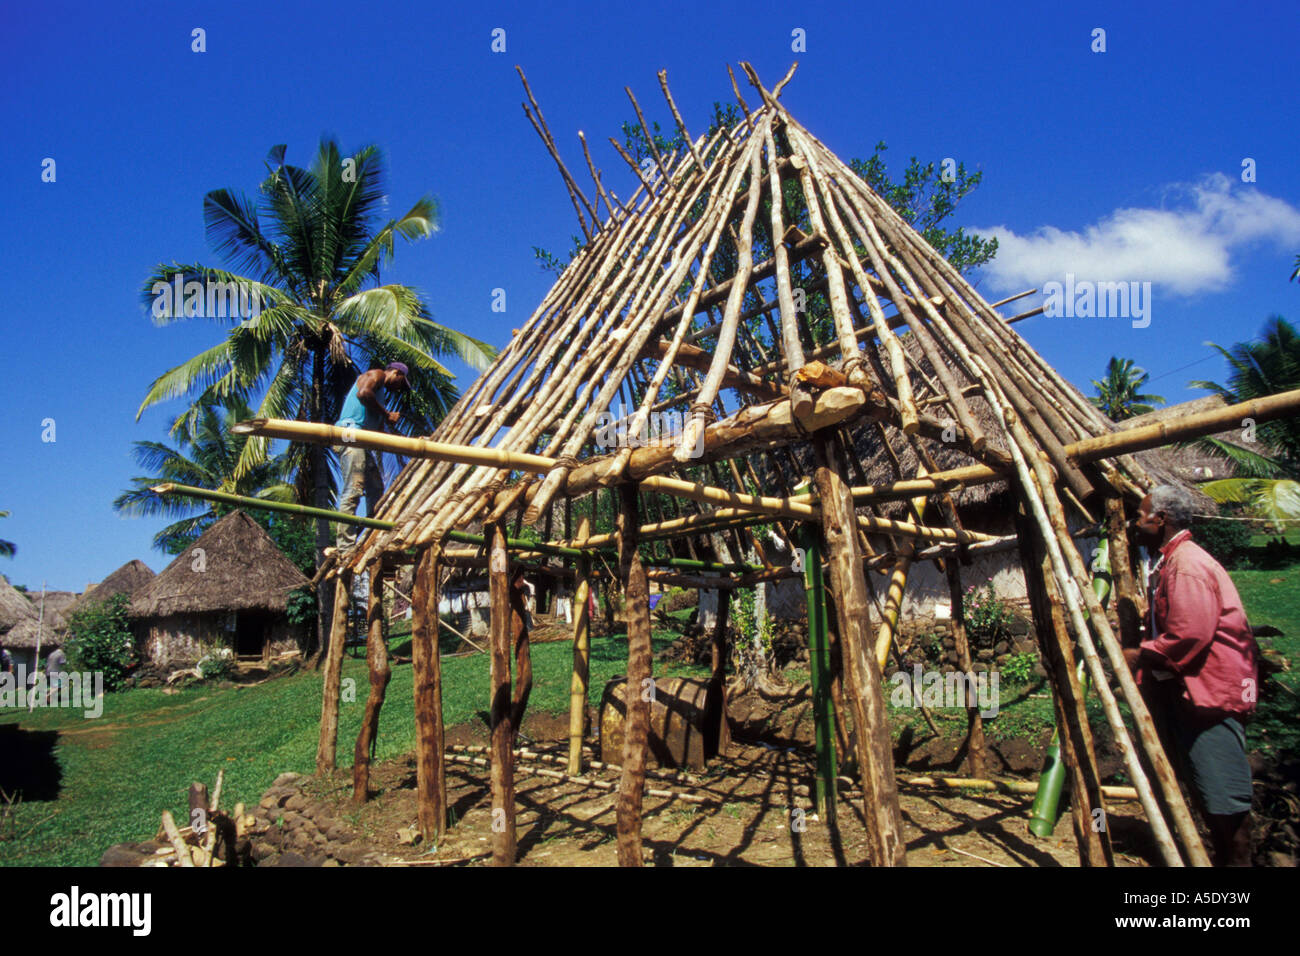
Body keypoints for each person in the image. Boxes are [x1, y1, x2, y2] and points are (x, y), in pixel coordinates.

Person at [1124, 485, 1259, 866]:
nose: (1136, 523)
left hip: (1211, 697)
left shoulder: (1187, 564)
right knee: (1210, 794)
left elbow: (1190, 635)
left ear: (1161, 519)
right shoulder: (1173, 561)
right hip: (1198, 694)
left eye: (1140, 515)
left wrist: (1138, 654)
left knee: (1224, 803)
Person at [331, 363, 409, 550]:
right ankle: (345, 546)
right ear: (396, 373)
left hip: (362, 440)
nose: (399, 388)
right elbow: (363, 393)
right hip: (350, 435)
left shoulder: (379, 398)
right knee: (354, 488)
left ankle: (369, 537)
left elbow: (381, 433)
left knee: (376, 489)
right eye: (400, 383)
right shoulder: (377, 375)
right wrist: (387, 413)